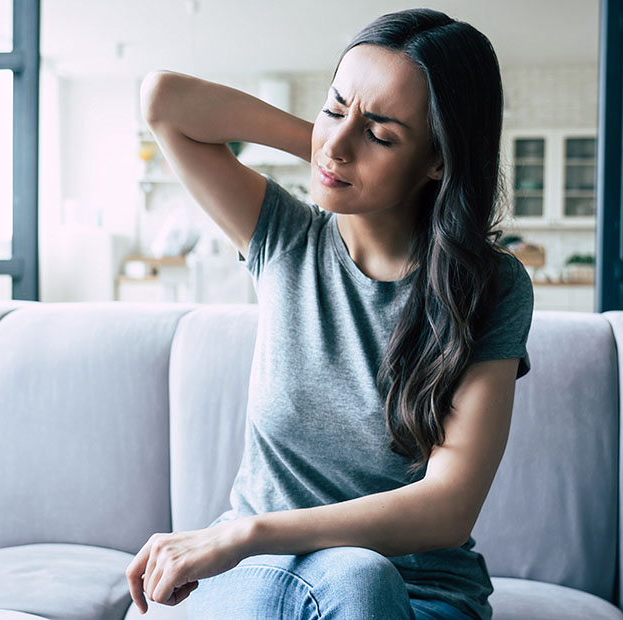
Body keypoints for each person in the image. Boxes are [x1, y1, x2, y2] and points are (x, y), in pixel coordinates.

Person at [128, 7, 533, 620]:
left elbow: (449, 505)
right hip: (263, 581)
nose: (340, 141)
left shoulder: (490, 286)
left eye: (381, 134)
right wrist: (334, 147)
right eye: (335, 105)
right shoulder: (284, 238)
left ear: (439, 160)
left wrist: (248, 533)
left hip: (408, 595)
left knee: (357, 575)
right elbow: (165, 100)